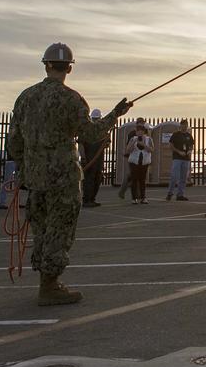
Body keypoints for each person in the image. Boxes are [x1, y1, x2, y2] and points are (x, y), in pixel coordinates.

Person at [8, 42, 130, 305]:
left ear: (46, 64)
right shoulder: (71, 98)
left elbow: (14, 141)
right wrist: (114, 115)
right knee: (60, 230)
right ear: (69, 69)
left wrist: (25, 166)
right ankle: (49, 287)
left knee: (41, 229)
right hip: (63, 177)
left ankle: (46, 281)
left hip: (36, 178)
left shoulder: (25, 97)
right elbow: (91, 134)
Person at [80, 108, 108, 207]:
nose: (96, 121)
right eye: (95, 119)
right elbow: (81, 145)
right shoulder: (86, 130)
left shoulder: (102, 131)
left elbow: (106, 144)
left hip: (98, 159)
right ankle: (87, 199)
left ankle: (92, 198)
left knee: (97, 179)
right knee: (89, 180)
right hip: (89, 159)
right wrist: (83, 158)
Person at [118, 118, 149, 201]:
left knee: (139, 176)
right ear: (137, 124)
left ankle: (137, 194)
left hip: (143, 157)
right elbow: (129, 145)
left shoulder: (145, 132)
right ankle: (123, 191)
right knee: (132, 176)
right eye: (140, 123)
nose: (141, 125)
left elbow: (148, 143)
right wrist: (128, 152)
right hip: (134, 156)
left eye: (142, 123)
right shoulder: (132, 133)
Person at [167, 120, 194, 202]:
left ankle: (180, 194)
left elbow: (191, 146)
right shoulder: (175, 135)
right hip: (177, 158)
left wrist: (189, 151)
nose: (185, 126)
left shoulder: (189, 135)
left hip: (186, 159)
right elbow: (171, 146)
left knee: (183, 177)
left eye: (186, 125)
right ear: (180, 126)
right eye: (183, 125)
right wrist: (179, 152)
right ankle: (170, 193)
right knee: (174, 176)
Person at [126, 123, 153, 204]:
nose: (140, 133)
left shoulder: (149, 139)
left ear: (144, 132)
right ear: (136, 132)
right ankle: (134, 198)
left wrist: (143, 145)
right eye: (138, 131)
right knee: (134, 179)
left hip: (144, 162)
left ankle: (143, 197)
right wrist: (133, 143)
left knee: (142, 180)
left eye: (141, 131)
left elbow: (152, 150)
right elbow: (128, 150)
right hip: (134, 162)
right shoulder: (132, 139)